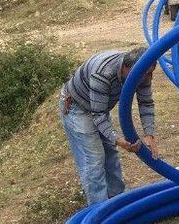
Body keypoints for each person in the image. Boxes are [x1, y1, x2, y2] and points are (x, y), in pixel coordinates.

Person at [59, 47, 159, 205]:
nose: (149, 78)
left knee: (110, 154)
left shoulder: (142, 73)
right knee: (94, 158)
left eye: (151, 73)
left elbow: (146, 103)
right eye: (146, 74)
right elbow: (97, 115)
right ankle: (99, 212)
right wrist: (119, 140)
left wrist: (149, 135)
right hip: (78, 107)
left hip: (99, 108)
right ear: (129, 68)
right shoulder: (103, 73)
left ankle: (117, 203)